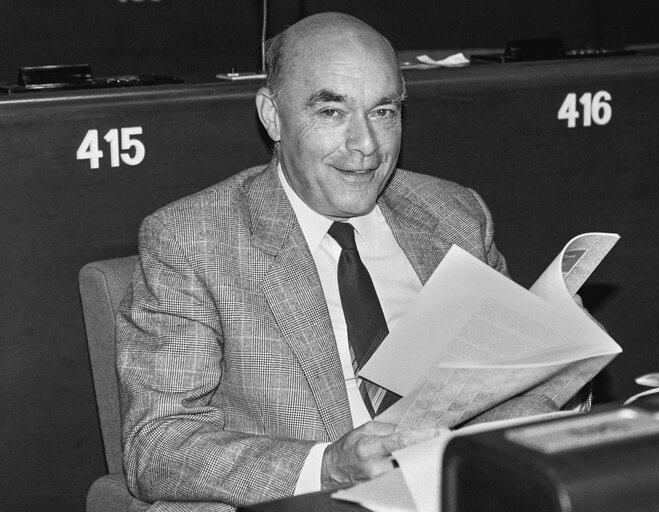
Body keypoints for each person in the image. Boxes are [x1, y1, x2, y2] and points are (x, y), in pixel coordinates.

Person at [117, 12, 591, 511]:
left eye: (384, 111)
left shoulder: (455, 216)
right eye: (331, 112)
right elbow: (156, 445)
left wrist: (557, 359)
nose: (366, 145)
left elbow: (506, 397)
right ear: (272, 116)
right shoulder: (194, 240)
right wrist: (328, 465)